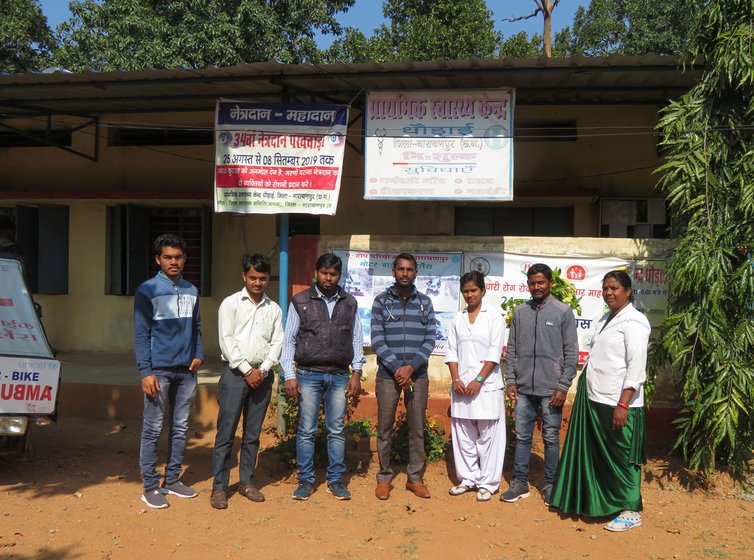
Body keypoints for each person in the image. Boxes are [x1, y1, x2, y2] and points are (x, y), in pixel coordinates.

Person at [550, 270, 650, 532]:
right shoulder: (606, 318)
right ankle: (602, 503)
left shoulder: (635, 322)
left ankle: (631, 510)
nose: (608, 293)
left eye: (614, 288)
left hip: (619, 402)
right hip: (596, 398)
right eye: (605, 288)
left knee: (622, 457)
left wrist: (624, 404)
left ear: (628, 291)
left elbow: (636, 367)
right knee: (601, 458)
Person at [282, 253, 364, 501]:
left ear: (340, 276)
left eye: (333, 274)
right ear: (316, 273)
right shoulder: (300, 301)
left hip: (339, 375)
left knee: (336, 430)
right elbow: (289, 340)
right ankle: (305, 481)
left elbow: (357, 338)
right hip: (308, 375)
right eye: (324, 273)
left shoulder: (349, 303)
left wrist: (357, 372)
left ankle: (335, 480)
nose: (328, 278)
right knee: (306, 430)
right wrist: (289, 374)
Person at [134, 234, 204, 509]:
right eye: (168, 257)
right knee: (152, 428)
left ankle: (172, 480)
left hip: (186, 371)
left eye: (178, 257)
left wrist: (199, 353)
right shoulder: (147, 290)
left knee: (180, 427)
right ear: (158, 260)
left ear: (184, 259)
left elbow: (197, 327)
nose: (174, 262)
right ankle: (150, 486)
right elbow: (141, 334)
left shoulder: (191, 290)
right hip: (158, 371)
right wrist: (145, 371)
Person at [210, 254, 283, 509]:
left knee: (252, 434)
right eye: (253, 277)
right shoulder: (230, 304)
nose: (258, 282)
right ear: (244, 276)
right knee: (226, 432)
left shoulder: (273, 308)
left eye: (262, 278)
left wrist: (262, 370)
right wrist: (245, 370)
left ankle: (246, 483)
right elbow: (226, 340)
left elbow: (277, 343)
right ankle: (219, 487)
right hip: (234, 376)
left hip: (262, 377)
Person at [503, 263, 578, 505]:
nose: (536, 287)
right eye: (532, 283)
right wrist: (511, 380)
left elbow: (571, 353)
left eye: (541, 282)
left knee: (551, 439)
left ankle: (550, 485)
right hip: (524, 388)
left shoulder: (562, 312)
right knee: (523, 437)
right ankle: (520, 483)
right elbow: (512, 349)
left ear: (550, 284)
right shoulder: (521, 312)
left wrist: (563, 386)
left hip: (551, 390)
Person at [371, 253, 437, 500]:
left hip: (417, 376)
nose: (405, 273)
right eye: (401, 269)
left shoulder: (425, 302)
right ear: (393, 272)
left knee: (416, 428)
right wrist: (399, 368)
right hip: (388, 376)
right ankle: (384, 477)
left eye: (410, 269)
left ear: (416, 273)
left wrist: (411, 367)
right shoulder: (381, 302)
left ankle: (415, 478)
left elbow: (430, 338)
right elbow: (377, 339)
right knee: (385, 427)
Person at [445, 271, 507, 501]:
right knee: (463, 433)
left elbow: (494, 352)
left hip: (486, 385)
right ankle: (468, 478)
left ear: (483, 290)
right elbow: (451, 350)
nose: (470, 295)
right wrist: (456, 379)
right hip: (461, 386)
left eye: (474, 290)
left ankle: (488, 483)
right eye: (466, 291)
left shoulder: (494, 317)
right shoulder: (457, 318)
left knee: (489, 435)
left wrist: (479, 380)